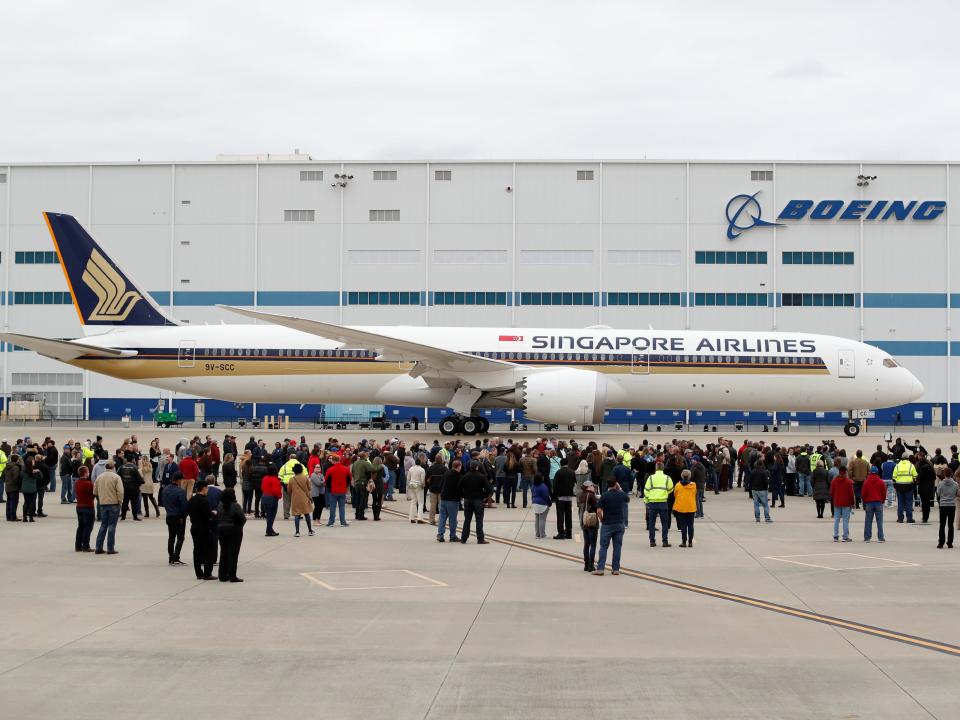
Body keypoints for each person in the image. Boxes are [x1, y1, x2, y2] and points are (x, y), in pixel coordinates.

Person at [594, 478, 629, 575]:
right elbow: (627, 499)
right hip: (619, 523)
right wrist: (620, 488)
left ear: (607, 485)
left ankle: (601, 568)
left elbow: (599, 511)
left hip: (607, 523)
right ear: (615, 484)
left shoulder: (604, 496)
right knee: (617, 547)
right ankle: (616, 569)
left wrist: (601, 519)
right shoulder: (621, 494)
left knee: (604, 547)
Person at [93, 460, 123, 554]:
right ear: (113, 467)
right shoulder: (116, 477)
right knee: (112, 526)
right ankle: (110, 548)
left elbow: (95, 491)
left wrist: (101, 498)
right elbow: (120, 492)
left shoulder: (99, 477)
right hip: (114, 503)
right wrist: (120, 502)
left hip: (103, 504)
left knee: (103, 525)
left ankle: (98, 547)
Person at [188, 479, 216, 579]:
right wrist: (214, 514)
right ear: (204, 488)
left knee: (197, 550)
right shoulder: (204, 500)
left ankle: (199, 573)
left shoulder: (192, 499)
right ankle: (207, 573)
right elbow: (208, 515)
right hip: (204, 528)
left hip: (194, 527)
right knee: (208, 551)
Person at [216, 488, 246, 582]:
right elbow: (242, 518)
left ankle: (222, 575)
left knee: (224, 552)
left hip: (221, 529)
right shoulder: (235, 506)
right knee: (233, 553)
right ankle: (232, 575)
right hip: (234, 530)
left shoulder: (220, 505)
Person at [460, 460, 491, 544]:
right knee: (479, 520)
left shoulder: (465, 476)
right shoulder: (482, 476)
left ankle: (463, 538)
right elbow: (488, 489)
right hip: (478, 499)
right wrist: (484, 496)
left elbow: (459, 487)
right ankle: (480, 538)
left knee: (467, 519)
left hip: (468, 499)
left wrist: (464, 495)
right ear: (477, 467)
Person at [644, 463, 673, 548]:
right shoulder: (667, 478)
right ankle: (665, 541)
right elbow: (671, 488)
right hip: (663, 502)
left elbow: (646, 490)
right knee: (664, 523)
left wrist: (647, 500)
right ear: (663, 468)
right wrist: (665, 493)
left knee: (651, 523)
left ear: (656, 468)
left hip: (652, 503)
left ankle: (652, 541)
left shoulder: (651, 478)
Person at [162, 474, 188, 565]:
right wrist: (184, 515)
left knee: (171, 537)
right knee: (180, 537)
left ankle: (171, 557)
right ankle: (176, 557)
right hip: (179, 517)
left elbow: (163, 502)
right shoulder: (180, 491)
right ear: (178, 480)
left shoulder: (165, 490)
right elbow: (184, 506)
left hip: (169, 516)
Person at [437, 458, 461, 542]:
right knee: (452, 519)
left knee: (442, 517)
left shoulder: (446, 473)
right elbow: (459, 488)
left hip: (443, 498)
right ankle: (452, 535)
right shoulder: (458, 475)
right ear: (459, 467)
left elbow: (441, 484)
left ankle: (440, 534)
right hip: (453, 500)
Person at [861, 465, 886, 543]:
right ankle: (881, 537)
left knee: (868, 521)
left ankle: (867, 537)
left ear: (870, 472)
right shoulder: (881, 481)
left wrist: (865, 501)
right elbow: (884, 493)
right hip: (878, 502)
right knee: (879, 521)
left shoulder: (866, 482)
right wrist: (882, 500)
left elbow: (863, 493)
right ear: (877, 472)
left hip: (869, 503)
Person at [552, 460, 576, 539]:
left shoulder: (558, 472)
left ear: (561, 464)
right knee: (569, 516)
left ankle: (561, 533)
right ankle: (569, 533)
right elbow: (575, 483)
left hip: (560, 497)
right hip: (569, 497)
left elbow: (554, 486)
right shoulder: (572, 472)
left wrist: (553, 497)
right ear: (567, 464)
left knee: (560, 516)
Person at [673, 469, 698, 547]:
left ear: (682, 476)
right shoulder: (693, 485)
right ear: (690, 476)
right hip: (691, 507)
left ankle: (684, 541)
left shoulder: (678, 485)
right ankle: (690, 542)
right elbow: (695, 493)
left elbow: (675, 494)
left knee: (683, 526)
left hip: (681, 507)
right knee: (690, 525)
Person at [324, 455, 351, 527]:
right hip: (342, 490)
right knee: (342, 507)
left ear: (333, 461)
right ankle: (343, 522)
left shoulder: (330, 469)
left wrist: (329, 487)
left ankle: (331, 522)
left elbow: (326, 480)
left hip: (333, 490)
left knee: (332, 507)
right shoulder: (346, 469)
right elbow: (349, 479)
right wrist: (345, 486)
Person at [289, 463, 314, 537]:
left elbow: (289, 490)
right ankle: (310, 530)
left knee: (297, 515)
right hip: (304, 498)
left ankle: (297, 532)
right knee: (307, 514)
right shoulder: (305, 478)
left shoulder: (291, 479)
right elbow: (309, 488)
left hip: (295, 499)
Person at [830, 466, 855, 542]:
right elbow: (851, 494)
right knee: (845, 520)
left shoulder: (834, 481)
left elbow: (831, 493)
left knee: (836, 520)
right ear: (845, 472)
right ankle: (845, 536)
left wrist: (835, 497)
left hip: (837, 502)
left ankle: (835, 536)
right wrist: (852, 503)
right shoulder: (849, 482)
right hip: (846, 503)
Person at [74, 466, 95, 552]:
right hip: (88, 506)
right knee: (88, 527)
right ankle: (86, 545)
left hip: (79, 506)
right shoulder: (89, 484)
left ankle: (78, 545)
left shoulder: (77, 483)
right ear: (85, 473)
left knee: (81, 526)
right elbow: (94, 493)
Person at [936, 469, 958, 549]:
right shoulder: (955, 484)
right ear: (951, 474)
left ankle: (941, 543)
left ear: (944, 474)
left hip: (943, 505)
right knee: (950, 525)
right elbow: (956, 493)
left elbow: (938, 493)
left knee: (942, 524)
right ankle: (950, 543)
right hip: (952, 505)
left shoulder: (940, 484)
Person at [892, 455, 918, 523]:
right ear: (908, 458)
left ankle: (900, 519)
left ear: (902, 458)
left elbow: (894, 477)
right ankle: (909, 518)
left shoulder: (897, 465)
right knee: (909, 503)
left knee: (900, 503)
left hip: (899, 486)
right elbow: (915, 476)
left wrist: (895, 485)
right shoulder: (911, 465)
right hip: (908, 486)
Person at [580, 480, 599, 571]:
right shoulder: (591, 496)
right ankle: (591, 565)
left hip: (584, 521)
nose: (594, 487)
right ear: (588, 487)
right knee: (593, 544)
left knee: (586, 544)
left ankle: (586, 564)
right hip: (592, 521)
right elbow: (597, 507)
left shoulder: (581, 495)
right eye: (592, 486)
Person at [261, 465, 282, 536]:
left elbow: (262, 487)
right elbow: (276, 491)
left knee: (268, 515)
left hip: (264, 497)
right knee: (272, 515)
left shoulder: (265, 478)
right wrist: (279, 496)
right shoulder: (275, 479)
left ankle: (269, 529)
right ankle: (269, 530)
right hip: (271, 498)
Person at [531, 474, 552, 539]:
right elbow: (546, 496)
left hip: (535, 503)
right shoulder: (543, 486)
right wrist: (549, 503)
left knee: (537, 519)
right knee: (542, 519)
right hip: (542, 504)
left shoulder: (533, 486)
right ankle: (542, 534)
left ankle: (537, 534)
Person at [406, 454, 426, 523]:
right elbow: (422, 479)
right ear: (420, 463)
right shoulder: (422, 470)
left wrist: (408, 485)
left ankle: (411, 517)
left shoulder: (411, 468)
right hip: (418, 485)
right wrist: (423, 485)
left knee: (413, 501)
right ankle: (419, 518)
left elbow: (408, 478)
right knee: (420, 502)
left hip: (412, 485)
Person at [20, 456, 40, 522]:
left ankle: (24, 517)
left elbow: (21, 476)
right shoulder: (33, 470)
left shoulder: (23, 469)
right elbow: (40, 477)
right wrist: (38, 471)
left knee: (26, 502)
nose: (34, 462)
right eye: (33, 461)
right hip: (32, 488)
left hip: (25, 488)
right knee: (31, 502)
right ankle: (31, 518)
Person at [4, 453, 22, 521]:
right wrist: (19, 486)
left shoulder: (7, 466)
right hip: (14, 487)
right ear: (17, 460)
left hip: (7, 486)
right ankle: (13, 517)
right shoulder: (15, 467)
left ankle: (8, 516)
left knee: (9, 502)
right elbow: (16, 478)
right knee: (14, 502)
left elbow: (3, 476)